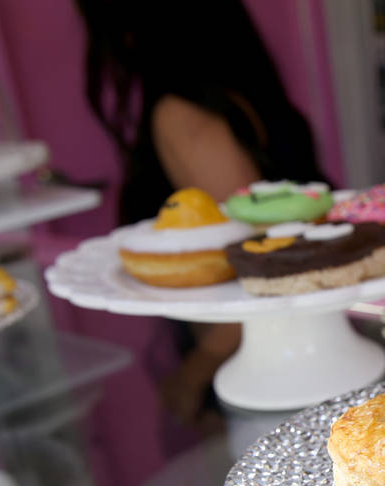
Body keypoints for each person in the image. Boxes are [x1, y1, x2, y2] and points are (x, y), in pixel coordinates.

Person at [76, 0, 329, 425]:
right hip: (301, 347)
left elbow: (258, 267)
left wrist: (193, 375)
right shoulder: (250, 96)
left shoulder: (184, 115)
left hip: (253, 361)